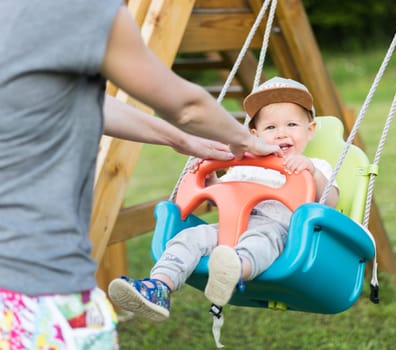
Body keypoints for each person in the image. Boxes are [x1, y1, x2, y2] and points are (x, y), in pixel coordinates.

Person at [0, 2, 281, 349]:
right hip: (38, 285)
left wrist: (179, 138)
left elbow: (82, 99)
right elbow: (187, 106)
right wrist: (247, 140)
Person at [108, 77, 340, 324]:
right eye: (270, 128)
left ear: (310, 130)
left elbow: (330, 203)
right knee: (189, 237)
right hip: (229, 229)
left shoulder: (313, 167)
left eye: (292, 124)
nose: (281, 133)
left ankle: (233, 271)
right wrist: (209, 180)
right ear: (255, 134)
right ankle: (159, 287)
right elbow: (223, 196)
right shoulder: (244, 166)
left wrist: (312, 174)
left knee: (259, 241)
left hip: (280, 232)